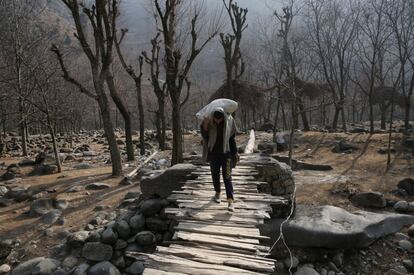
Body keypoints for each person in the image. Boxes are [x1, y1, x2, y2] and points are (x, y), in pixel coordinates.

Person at [200, 108, 239, 211]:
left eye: (220, 120)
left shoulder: (230, 121)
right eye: (215, 120)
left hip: (226, 154)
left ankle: (230, 201)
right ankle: (217, 193)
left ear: (223, 117)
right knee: (215, 174)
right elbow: (205, 137)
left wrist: (235, 153)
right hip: (213, 154)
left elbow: (232, 139)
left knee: (227, 176)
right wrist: (205, 125)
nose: (217, 121)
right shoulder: (208, 121)